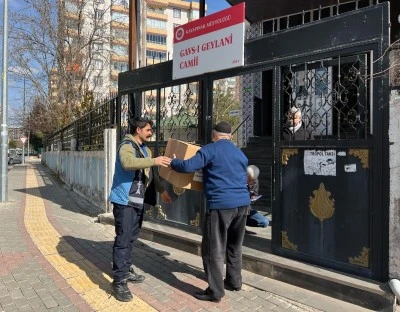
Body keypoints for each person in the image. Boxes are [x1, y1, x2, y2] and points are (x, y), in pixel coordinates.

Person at [170, 121, 250, 303]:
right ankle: (234, 282)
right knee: (234, 246)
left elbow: (188, 167)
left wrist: (174, 162)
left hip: (221, 205)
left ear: (214, 134)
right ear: (230, 136)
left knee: (213, 249)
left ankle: (215, 292)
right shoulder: (240, 153)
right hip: (243, 205)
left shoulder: (210, 150)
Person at [109, 117, 172, 302]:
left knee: (131, 238)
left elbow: (151, 172)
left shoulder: (144, 149)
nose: (151, 132)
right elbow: (128, 163)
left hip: (137, 200)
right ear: (138, 130)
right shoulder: (126, 145)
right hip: (124, 201)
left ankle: (126, 270)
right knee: (123, 239)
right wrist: (154, 160)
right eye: (148, 130)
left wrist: (162, 190)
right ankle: (118, 281)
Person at [246, 165, 269, 231]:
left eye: (253, 180)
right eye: (249, 179)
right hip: (236, 210)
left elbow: (254, 194)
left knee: (264, 222)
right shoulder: (237, 180)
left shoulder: (255, 181)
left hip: (247, 209)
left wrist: (253, 197)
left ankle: (242, 225)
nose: (251, 182)